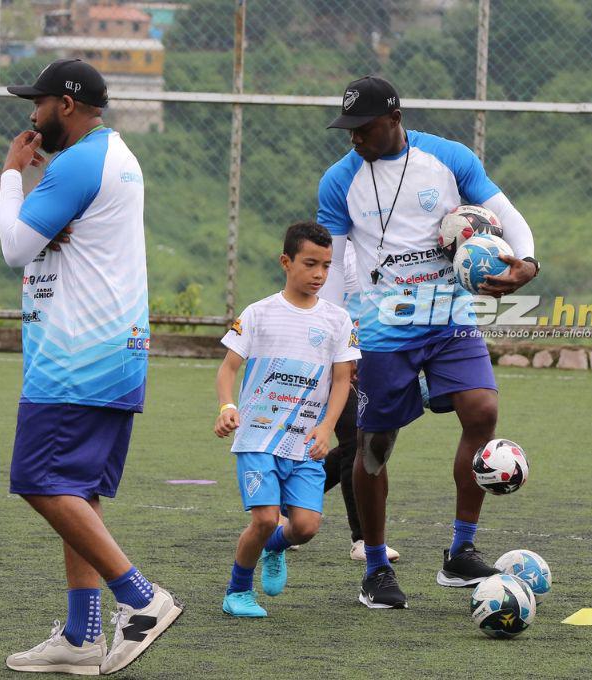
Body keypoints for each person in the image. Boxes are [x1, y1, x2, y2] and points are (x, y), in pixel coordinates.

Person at [317, 75, 539, 609]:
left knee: (482, 411)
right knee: (373, 449)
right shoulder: (339, 181)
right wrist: (327, 336)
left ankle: (461, 551)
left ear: (394, 120)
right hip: (379, 327)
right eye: (348, 130)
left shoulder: (449, 159)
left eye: (363, 128)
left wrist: (526, 263)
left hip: (449, 315)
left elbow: (507, 216)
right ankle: (374, 567)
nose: (355, 139)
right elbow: (330, 268)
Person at [0, 58, 181, 675]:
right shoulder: (112, 157)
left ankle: (141, 597)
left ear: (66, 106)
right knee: (77, 492)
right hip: (111, 353)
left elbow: (14, 247)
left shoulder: (76, 163)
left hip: (77, 356)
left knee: (39, 481)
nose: (31, 113)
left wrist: (10, 177)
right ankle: (81, 636)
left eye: (39, 102)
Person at [214, 222, 360, 617]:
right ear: (286, 262)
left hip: (305, 443)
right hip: (258, 438)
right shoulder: (258, 313)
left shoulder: (337, 320)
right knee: (263, 519)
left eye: (327, 266)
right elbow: (228, 369)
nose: (319, 275)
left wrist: (327, 427)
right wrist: (228, 407)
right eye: (310, 264)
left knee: (306, 528)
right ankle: (237, 593)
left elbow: (343, 381)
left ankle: (275, 549)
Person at [323, 238, 400, 563]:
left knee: (356, 446)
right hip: (332, 360)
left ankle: (287, 504)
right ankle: (364, 541)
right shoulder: (335, 250)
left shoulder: (388, 242)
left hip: (371, 356)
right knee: (357, 445)